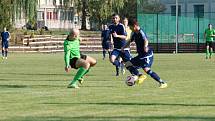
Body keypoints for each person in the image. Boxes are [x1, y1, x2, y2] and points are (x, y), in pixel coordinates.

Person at [121, 21, 168, 88]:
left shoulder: (141, 32)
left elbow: (146, 40)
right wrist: (123, 47)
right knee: (128, 64)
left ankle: (162, 83)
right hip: (140, 55)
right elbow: (129, 41)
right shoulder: (134, 33)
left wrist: (145, 46)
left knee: (146, 69)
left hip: (147, 55)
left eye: (131, 27)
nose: (130, 29)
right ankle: (139, 75)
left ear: (135, 26)